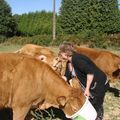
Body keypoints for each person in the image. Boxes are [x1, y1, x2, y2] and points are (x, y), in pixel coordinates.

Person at [58, 42, 110, 120]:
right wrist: (62, 79)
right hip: (93, 83)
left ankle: (97, 117)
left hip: (99, 84)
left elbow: (90, 72)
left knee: (96, 104)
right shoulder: (69, 62)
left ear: (65, 53)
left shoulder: (77, 59)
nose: (59, 54)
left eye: (61, 52)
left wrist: (87, 89)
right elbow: (67, 75)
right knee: (91, 102)